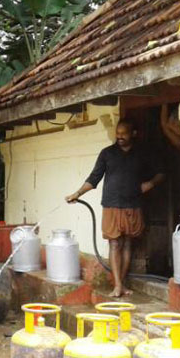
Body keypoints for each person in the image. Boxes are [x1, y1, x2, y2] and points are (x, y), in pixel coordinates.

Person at [66, 120, 164, 297]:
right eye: (117, 133)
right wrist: (77, 193)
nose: (119, 136)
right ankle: (117, 285)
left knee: (127, 244)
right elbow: (93, 178)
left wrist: (150, 183)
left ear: (133, 133)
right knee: (114, 243)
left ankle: (122, 283)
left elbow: (162, 172)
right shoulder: (107, 154)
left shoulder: (142, 154)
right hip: (111, 204)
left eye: (124, 133)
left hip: (133, 205)